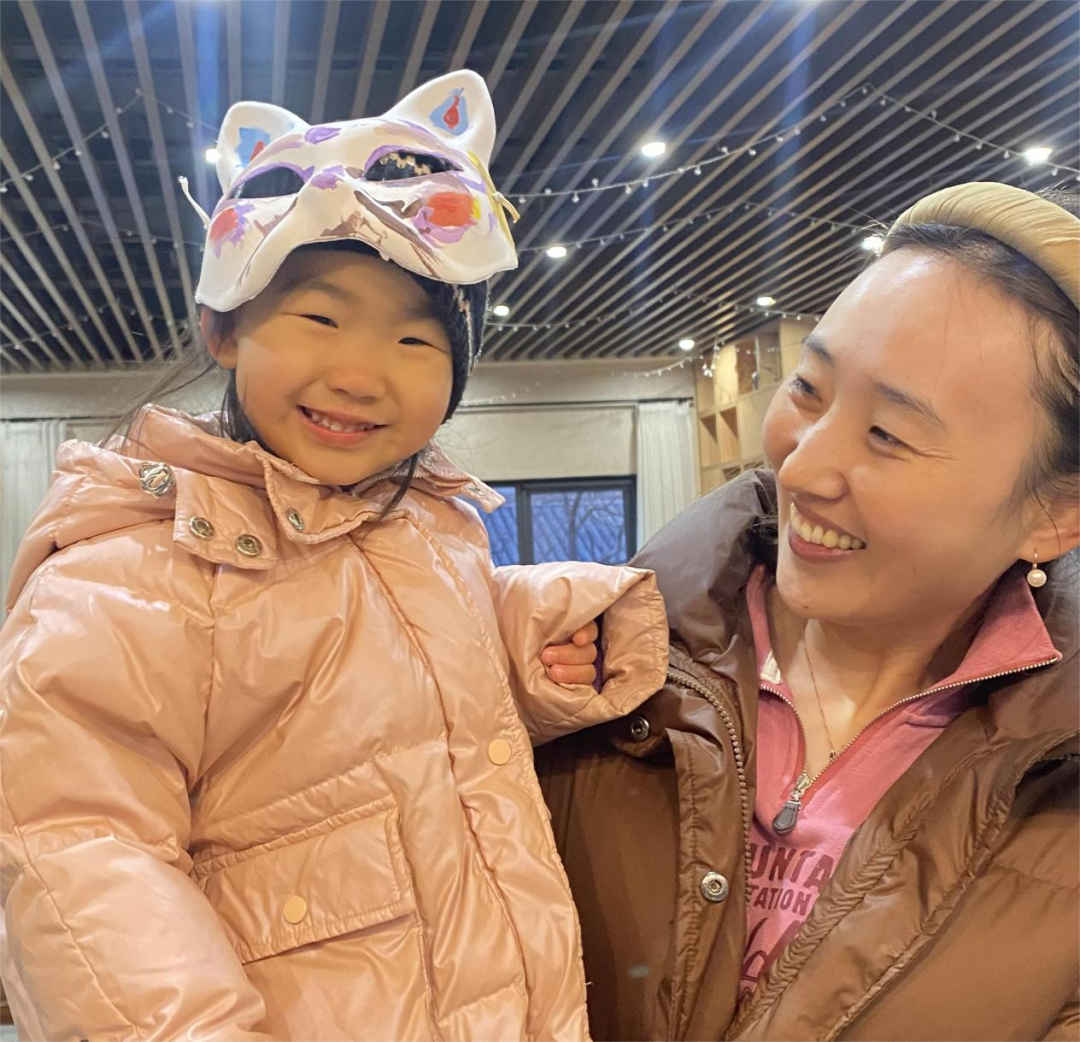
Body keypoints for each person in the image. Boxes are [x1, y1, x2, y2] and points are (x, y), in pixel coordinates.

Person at [0, 71, 669, 1041]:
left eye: (414, 339)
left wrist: (528, 655)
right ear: (224, 327)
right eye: (319, 319)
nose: (361, 373)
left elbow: (384, 714)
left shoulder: (430, 532)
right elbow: (78, 851)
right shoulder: (130, 575)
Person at [537, 182, 1080, 1041]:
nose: (798, 469)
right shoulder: (588, 662)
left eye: (888, 436)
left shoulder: (1060, 782)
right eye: (809, 389)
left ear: (1056, 514)